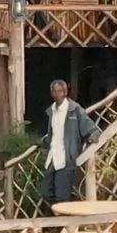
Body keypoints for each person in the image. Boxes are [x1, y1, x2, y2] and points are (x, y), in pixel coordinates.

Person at [37, 78, 99, 208]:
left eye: (60, 91)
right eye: (54, 91)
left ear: (65, 92)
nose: (57, 94)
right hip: (53, 157)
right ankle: (57, 222)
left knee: (62, 196)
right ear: (51, 93)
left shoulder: (75, 110)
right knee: (46, 192)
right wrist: (40, 143)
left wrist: (93, 135)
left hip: (67, 158)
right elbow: (52, 134)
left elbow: (91, 128)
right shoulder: (52, 111)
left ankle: (63, 226)